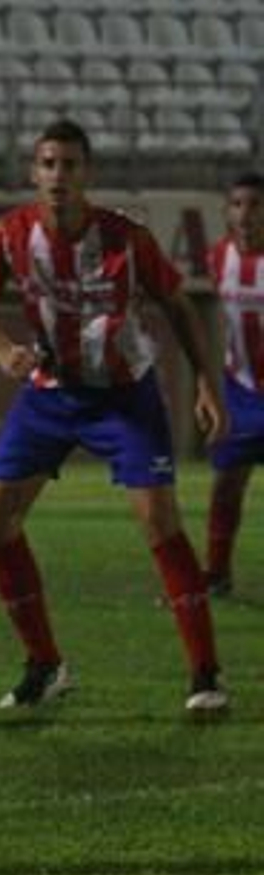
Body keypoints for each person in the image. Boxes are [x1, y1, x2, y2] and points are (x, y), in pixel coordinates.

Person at [0, 118, 230, 719]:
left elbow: (178, 302)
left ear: (89, 174)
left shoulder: (125, 239)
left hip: (123, 395)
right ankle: (44, 665)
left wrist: (206, 384)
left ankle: (206, 672)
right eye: (48, 164)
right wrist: (1, 348)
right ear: (34, 172)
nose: (59, 176)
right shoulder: (8, 236)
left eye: (70, 165)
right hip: (50, 396)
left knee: (160, 525)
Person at [203, 172, 264, 597]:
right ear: (227, 212)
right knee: (227, 484)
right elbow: (208, 328)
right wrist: (206, 388)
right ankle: (217, 576)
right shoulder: (215, 258)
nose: (246, 214)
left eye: (255, 205)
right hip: (239, 390)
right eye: (238, 205)